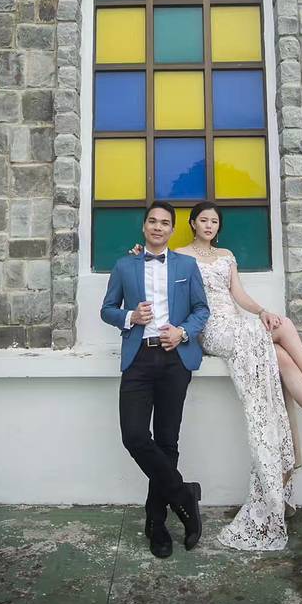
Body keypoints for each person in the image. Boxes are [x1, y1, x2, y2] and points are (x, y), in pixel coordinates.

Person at [132, 201, 302, 552]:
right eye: (203, 220)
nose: (209, 225)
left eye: (215, 221)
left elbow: (238, 295)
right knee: (278, 336)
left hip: (238, 322)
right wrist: (139, 254)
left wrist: (262, 312)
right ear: (193, 223)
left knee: (281, 345)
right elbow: (157, 273)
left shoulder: (226, 255)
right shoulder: (179, 255)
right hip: (211, 329)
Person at [100, 200, 210, 559]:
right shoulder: (125, 265)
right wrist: (130, 316)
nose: (158, 227)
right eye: (152, 221)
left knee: (166, 441)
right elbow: (107, 309)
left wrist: (182, 332)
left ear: (172, 229)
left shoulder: (187, 266)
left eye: (165, 222)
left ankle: (156, 523)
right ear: (144, 226)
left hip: (175, 359)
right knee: (134, 436)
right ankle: (184, 495)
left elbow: (202, 309)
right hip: (139, 358)